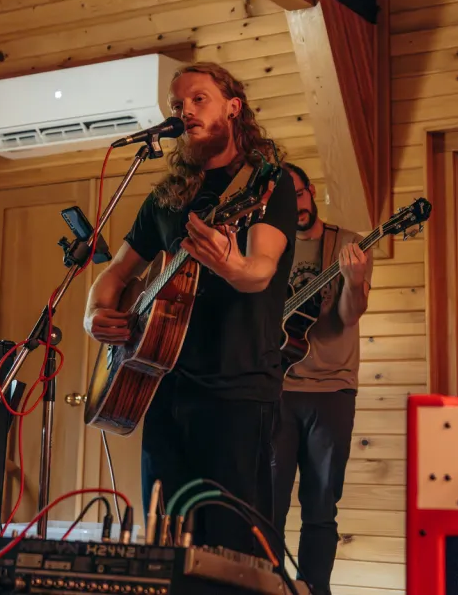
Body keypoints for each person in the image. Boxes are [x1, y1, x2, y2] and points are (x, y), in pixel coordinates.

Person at [83, 62, 297, 555]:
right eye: (178, 105)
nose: (185, 111)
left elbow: (260, 270)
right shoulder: (165, 197)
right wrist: (94, 314)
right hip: (159, 385)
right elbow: (115, 273)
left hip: (237, 389)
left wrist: (227, 262)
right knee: (166, 544)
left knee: (234, 549)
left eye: (198, 99)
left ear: (233, 107)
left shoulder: (267, 182)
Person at [272, 163, 372, 595]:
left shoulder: (347, 244)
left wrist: (356, 280)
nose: (293, 206)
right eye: (281, 200)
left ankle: (315, 589)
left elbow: (349, 317)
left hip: (332, 388)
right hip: (277, 386)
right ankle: (268, 586)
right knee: (268, 504)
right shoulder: (269, 249)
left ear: (310, 191)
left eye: (296, 194)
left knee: (320, 505)